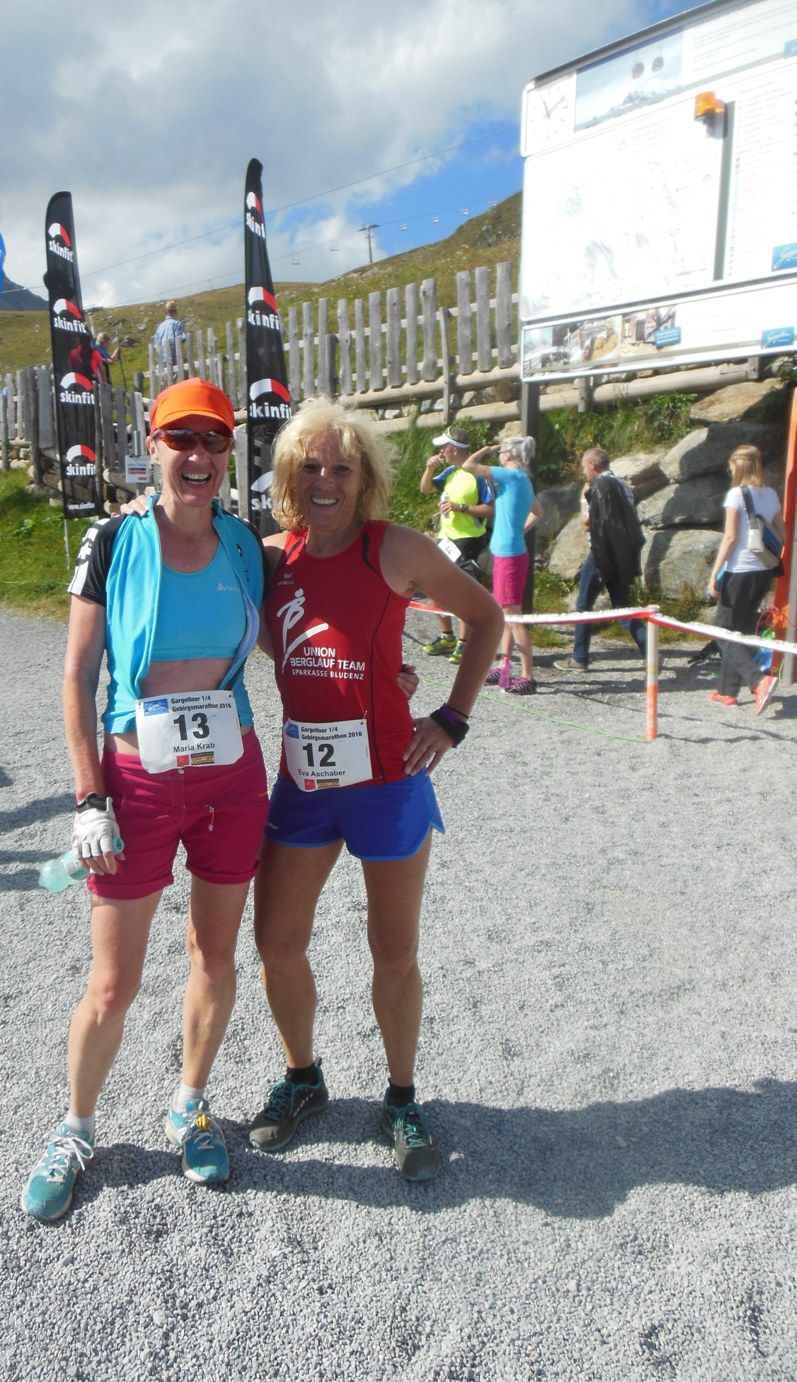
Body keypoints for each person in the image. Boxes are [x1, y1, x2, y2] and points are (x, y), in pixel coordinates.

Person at [21, 377, 268, 1221]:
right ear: (152, 446)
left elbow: (303, 624)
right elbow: (77, 674)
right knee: (112, 983)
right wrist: (88, 797)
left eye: (213, 440)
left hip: (231, 776)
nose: (197, 456)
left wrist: (390, 673)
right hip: (136, 779)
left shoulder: (245, 545)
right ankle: (75, 1128)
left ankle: (190, 1103)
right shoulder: (114, 538)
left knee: (214, 956)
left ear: (228, 451)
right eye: (180, 439)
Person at [248, 397, 503, 1181]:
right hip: (304, 781)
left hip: (388, 781)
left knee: (393, 950)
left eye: (342, 467)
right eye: (309, 466)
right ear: (288, 475)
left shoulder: (394, 547)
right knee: (275, 942)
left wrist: (451, 718)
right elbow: (249, 614)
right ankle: (302, 1077)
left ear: (365, 479)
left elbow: (487, 618)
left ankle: (400, 1097)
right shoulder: (268, 557)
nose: (324, 480)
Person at [460, 436, 543, 694]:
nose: (498, 455)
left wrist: (486, 448)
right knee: (504, 613)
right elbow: (538, 511)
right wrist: (518, 530)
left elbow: (468, 466)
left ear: (508, 454)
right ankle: (504, 664)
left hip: (510, 556)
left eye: (501, 451)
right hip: (507, 552)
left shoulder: (511, 476)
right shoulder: (521, 479)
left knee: (513, 616)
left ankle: (528, 675)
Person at [707, 444, 785, 715]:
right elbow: (782, 533)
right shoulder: (771, 495)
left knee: (722, 632)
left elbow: (730, 537)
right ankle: (726, 691)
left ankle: (758, 680)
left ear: (738, 466)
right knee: (739, 631)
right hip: (763, 571)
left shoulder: (736, 495)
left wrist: (714, 573)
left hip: (738, 570)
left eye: (731, 466)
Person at [554, 447, 647, 674]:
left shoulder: (595, 486)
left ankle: (579, 658)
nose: (583, 471)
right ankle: (650, 650)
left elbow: (589, 523)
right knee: (622, 607)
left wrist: (583, 503)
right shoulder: (623, 485)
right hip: (621, 553)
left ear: (592, 465)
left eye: (584, 467)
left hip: (601, 553)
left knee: (584, 604)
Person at [419, 426, 494, 662]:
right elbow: (425, 489)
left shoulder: (479, 475)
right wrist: (430, 469)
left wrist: (461, 507)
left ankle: (464, 642)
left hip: (469, 540)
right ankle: (447, 637)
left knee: (462, 592)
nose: (441, 451)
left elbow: (490, 509)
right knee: (434, 586)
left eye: (444, 447)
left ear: (454, 449)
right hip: (446, 539)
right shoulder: (450, 472)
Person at [153, 301, 187, 369]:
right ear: (175, 312)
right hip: (175, 362)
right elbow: (180, 340)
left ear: (166, 312)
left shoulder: (160, 327)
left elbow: (156, 345)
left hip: (163, 363)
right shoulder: (177, 324)